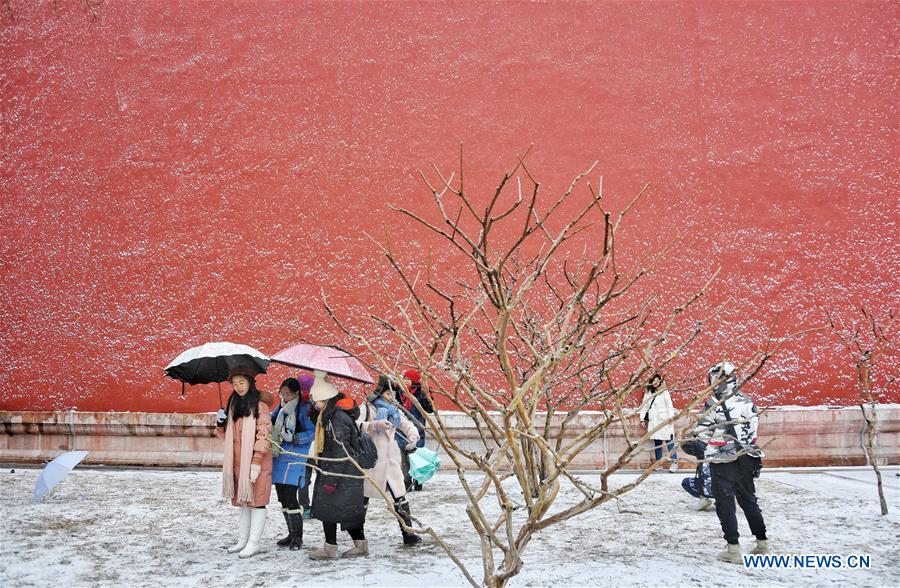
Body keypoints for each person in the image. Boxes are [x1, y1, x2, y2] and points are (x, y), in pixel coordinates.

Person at [694, 361, 768, 563]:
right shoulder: (748, 401)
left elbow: (701, 433)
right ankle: (762, 543)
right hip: (748, 458)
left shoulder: (714, 404)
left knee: (725, 504)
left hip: (723, 460)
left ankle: (733, 549)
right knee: (749, 501)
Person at [307, 370, 368, 560]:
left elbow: (340, 451)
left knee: (331, 510)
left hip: (339, 471)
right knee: (343, 510)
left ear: (325, 399)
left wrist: (331, 479)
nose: (314, 404)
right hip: (340, 471)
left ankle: (330, 549)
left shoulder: (336, 419)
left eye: (316, 401)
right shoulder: (330, 415)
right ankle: (359, 545)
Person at [215, 366, 273, 559]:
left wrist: (256, 460)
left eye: (242, 382)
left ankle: (254, 542)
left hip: (257, 463)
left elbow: (264, 435)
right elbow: (227, 437)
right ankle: (243, 540)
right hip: (239, 462)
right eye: (234, 384)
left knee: (257, 503)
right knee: (244, 502)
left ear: (250, 382)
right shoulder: (234, 405)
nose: (238, 387)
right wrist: (221, 423)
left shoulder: (259, 406)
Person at [360, 375, 423, 546]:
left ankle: (408, 534)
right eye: (388, 393)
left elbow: (406, 423)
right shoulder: (367, 408)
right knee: (363, 499)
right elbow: (355, 425)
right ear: (379, 393)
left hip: (391, 460)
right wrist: (374, 425)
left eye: (392, 394)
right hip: (371, 461)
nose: (391, 397)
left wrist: (413, 435)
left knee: (400, 497)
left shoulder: (394, 410)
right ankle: (359, 537)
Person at [271, 377, 316, 550]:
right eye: (281, 393)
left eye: (287, 394)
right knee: (282, 496)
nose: (284, 396)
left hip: (296, 457)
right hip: (280, 454)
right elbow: (271, 420)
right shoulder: (281, 407)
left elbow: (312, 432)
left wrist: (295, 438)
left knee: (291, 497)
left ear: (296, 393)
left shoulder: (305, 409)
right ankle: (290, 534)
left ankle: (298, 538)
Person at [398, 369, 434, 491]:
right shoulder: (399, 393)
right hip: (402, 431)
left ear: (413, 381)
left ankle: (418, 482)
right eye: (404, 378)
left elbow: (430, 409)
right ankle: (407, 483)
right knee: (404, 460)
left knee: (416, 458)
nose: (405, 380)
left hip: (417, 431)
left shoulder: (420, 394)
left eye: (408, 378)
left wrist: (428, 395)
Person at [639, 373, 679, 473]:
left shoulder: (664, 392)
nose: (655, 383)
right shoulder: (648, 393)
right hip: (654, 421)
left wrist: (670, 418)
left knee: (669, 442)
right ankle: (658, 463)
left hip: (665, 420)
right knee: (657, 443)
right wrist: (642, 419)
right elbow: (644, 407)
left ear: (660, 381)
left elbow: (669, 406)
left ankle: (674, 463)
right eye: (653, 381)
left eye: (657, 381)